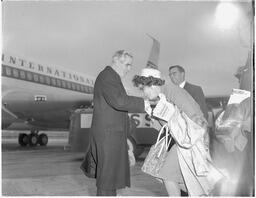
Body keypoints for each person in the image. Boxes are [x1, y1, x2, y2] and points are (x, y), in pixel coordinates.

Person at [133, 67, 222, 196]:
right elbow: (168, 125)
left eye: (143, 89)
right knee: (176, 178)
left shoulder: (172, 91)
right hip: (183, 141)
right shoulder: (162, 96)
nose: (143, 93)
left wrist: (203, 142)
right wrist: (154, 117)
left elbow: (196, 116)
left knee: (167, 174)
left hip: (190, 141)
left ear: (151, 84)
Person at [86, 50, 146, 196]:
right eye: (127, 64)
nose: (129, 69)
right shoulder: (107, 76)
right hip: (108, 136)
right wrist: (147, 104)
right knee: (107, 179)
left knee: (110, 177)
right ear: (116, 61)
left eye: (130, 65)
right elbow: (120, 101)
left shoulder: (113, 78)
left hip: (112, 135)